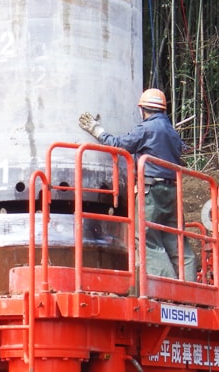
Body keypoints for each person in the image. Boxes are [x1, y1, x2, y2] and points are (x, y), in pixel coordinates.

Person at [78, 88, 197, 282]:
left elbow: (119, 144)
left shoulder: (147, 129)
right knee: (176, 240)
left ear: (143, 110)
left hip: (152, 191)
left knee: (146, 237)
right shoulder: (173, 134)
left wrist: (96, 129)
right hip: (173, 193)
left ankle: (168, 287)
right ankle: (191, 288)